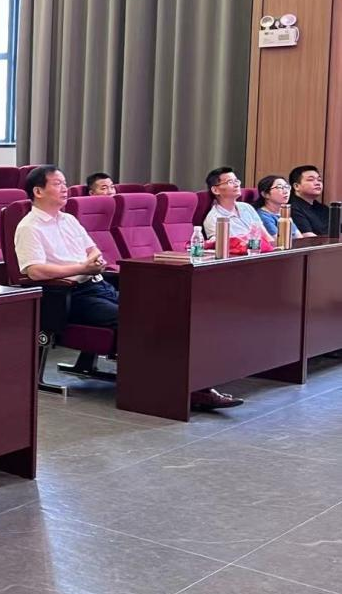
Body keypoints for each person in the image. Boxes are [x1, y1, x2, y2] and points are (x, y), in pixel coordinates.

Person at [16, 166, 242, 411]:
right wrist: (82, 267)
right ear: (38, 191)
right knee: (137, 319)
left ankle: (193, 385)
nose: (65, 188)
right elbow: (34, 271)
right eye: (57, 183)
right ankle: (173, 389)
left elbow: (93, 249)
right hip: (70, 295)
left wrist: (93, 262)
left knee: (166, 312)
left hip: (98, 284)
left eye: (65, 182)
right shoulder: (30, 227)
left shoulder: (69, 220)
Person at [202, 167, 274, 246]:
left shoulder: (247, 207)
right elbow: (220, 246)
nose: (237, 185)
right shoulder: (213, 218)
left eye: (236, 181)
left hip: (260, 250)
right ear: (215, 190)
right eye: (230, 182)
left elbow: (267, 237)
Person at [255, 175, 308, 240]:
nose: (286, 191)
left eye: (287, 187)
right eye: (279, 187)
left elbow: (299, 238)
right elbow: (278, 242)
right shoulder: (263, 217)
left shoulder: (283, 213)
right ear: (265, 194)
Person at [288, 165, 330, 236]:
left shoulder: (323, 208)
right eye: (311, 180)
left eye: (319, 180)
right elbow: (307, 236)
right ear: (296, 186)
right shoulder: (291, 208)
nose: (317, 183)